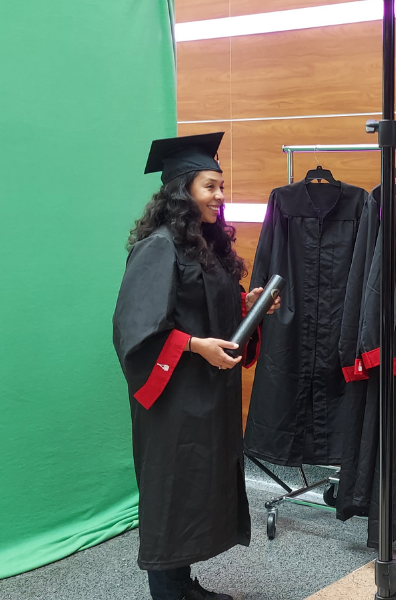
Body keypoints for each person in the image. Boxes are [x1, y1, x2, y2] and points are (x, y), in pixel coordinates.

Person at [113, 132, 280, 600]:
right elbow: (137, 328)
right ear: (181, 189)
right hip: (172, 401)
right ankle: (167, 593)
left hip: (203, 396)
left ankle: (183, 586)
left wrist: (250, 308)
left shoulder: (200, 248)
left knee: (192, 490)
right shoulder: (158, 247)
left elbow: (205, 313)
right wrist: (195, 346)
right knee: (171, 492)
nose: (220, 196)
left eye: (221, 186)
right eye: (210, 186)